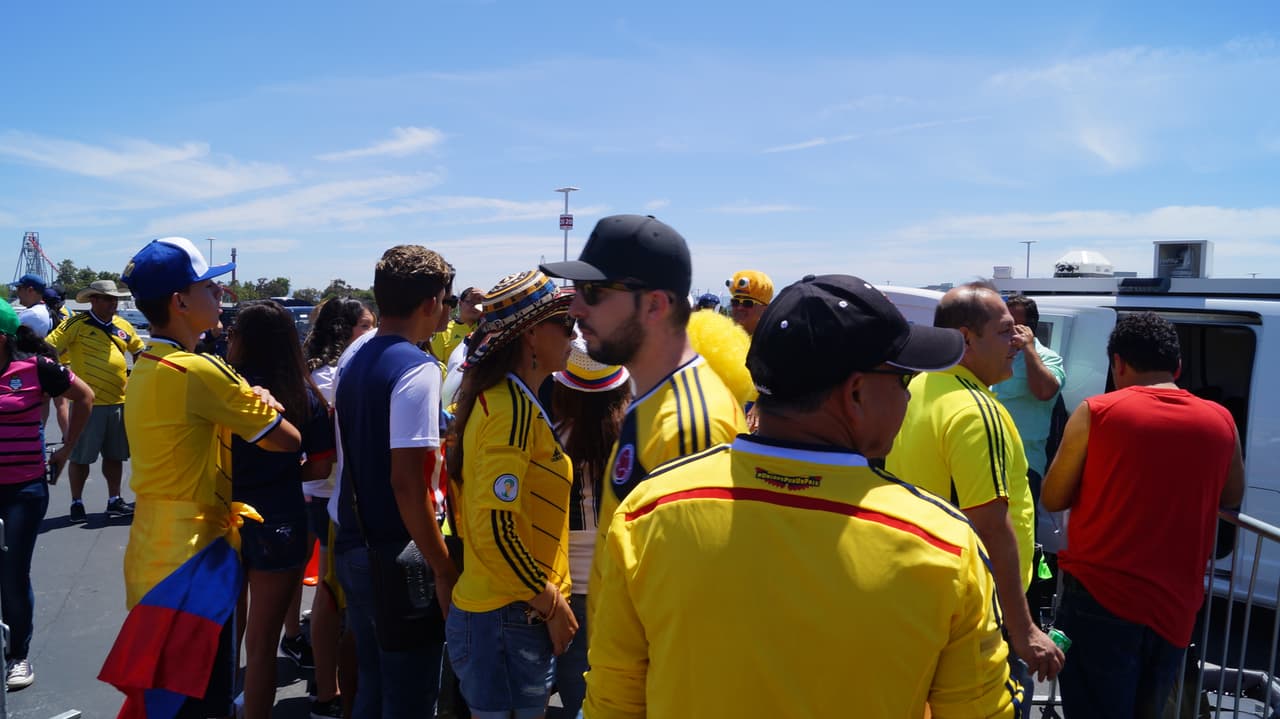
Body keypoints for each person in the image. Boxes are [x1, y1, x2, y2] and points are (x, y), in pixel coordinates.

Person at [582, 274, 1020, 717]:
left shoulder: (648, 513)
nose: (906, 399)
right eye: (902, 382)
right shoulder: (943, 544)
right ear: (855, 393)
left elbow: (612, 700)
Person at [106, 236, 301, 718]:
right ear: (180, 301)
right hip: (195, 557)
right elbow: (289, 440)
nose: (221, 296)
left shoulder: (151, 364)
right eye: (209, 288)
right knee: (198, 697)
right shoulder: (200, 371)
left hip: (153, 550)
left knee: (167, 694)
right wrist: (255, 397)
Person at [541, 214, 746, 630]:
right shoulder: (653, 400)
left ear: (655, 304)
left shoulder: (692, 424)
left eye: (594, 292)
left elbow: (691, 614)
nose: (575, 308)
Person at [1042, 312, 1245, 718]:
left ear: (1117, 363)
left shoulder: (1097, 412)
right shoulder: (1220, 419)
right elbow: (1232, 493)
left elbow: (1053, 496)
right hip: (1176, 604)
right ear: (1178, 367)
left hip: (1100, 597)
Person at [886, 281, 1064, 706]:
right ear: (966, 340)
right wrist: (1024, 631)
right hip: (976, 615)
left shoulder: (913, 390)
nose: (1017, 343)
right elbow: (990, 525)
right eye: (1005, 332)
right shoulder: (976, 410)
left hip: (923, 598)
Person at [444, 270, 579, 719]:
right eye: (566, 323)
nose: (573, 334)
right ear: (533, 334)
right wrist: (551, 604)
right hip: (508, 617)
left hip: (504, 614)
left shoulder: (505, 401)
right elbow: (494, 530)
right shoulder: (510, 411)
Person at [332, 245, 458, 719]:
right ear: (430, 302)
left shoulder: (356, 356)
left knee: (373, 687)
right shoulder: (418, 368)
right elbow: (408, 484)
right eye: (445, 300)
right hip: (399, 558)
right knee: (409, 697)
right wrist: (443, 569)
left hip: (353, 542)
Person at [227, 301, 336, 719]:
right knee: (263, 642)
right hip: (281, 516)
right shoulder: (303, 392)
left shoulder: (225, 386)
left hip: (222, 516)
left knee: (227, 636)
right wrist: (285, 475)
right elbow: (322, 464)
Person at [0, 300, 93, 690]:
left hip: (24, 487)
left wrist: (66, 449)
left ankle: (17, 656)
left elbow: (84, 396)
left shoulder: (36, 368)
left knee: (12, 574)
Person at [545, 337, 630, 719]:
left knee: (569, 699)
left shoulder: (548, 435)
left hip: (564, 589)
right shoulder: (634, 439)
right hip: (618, 582)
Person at [301, 296, 375, 719]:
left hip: (325, 492)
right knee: (333, 595)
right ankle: (326, 690)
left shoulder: (319, 369)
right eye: (365, 325)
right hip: (332, 494)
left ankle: (325, 681)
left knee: (336, 594)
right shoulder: (331, 375)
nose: (371, 332)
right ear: (344, 329)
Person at [45, 279, 143, 522]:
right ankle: (76, 503)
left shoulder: (123, 325)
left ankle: (114, 500)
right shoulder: (76, 324)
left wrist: (141, 377)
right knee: (80, 458)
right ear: (93, 300)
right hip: (88, 406)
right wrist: (59, 378)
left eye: (115, 299)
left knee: (115, 456)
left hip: (118, 403)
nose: (114, 303)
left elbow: (139, 350)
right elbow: (49, 347)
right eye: (108, 299)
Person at [993, 295, 1066, 542]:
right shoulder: (992, 355)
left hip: (1023, 466)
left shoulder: (1048, 358)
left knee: (1016, 538)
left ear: (1029, 327)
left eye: (1011, 324)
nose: (1004, 330)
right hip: (984, 459)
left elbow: (1045, 391)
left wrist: (1029, 348)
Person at [430, 286, 483, 363]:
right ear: (460, 303)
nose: (474, 306)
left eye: (479, 303)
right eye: (470, 302)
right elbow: (435, 362)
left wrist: (488, 299)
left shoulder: (486, 329)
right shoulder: (443, 330)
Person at [725, 269, 772, 335]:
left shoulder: (771, 339)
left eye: (747, 303)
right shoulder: (721, 335)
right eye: (735, 302)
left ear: (764, 309)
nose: (739, 307)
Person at [9, 274, 52, 338]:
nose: (17, 292)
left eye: (19, 289)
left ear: (30, 290)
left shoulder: (33, 314)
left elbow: (8, 334)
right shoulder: (43, 309)